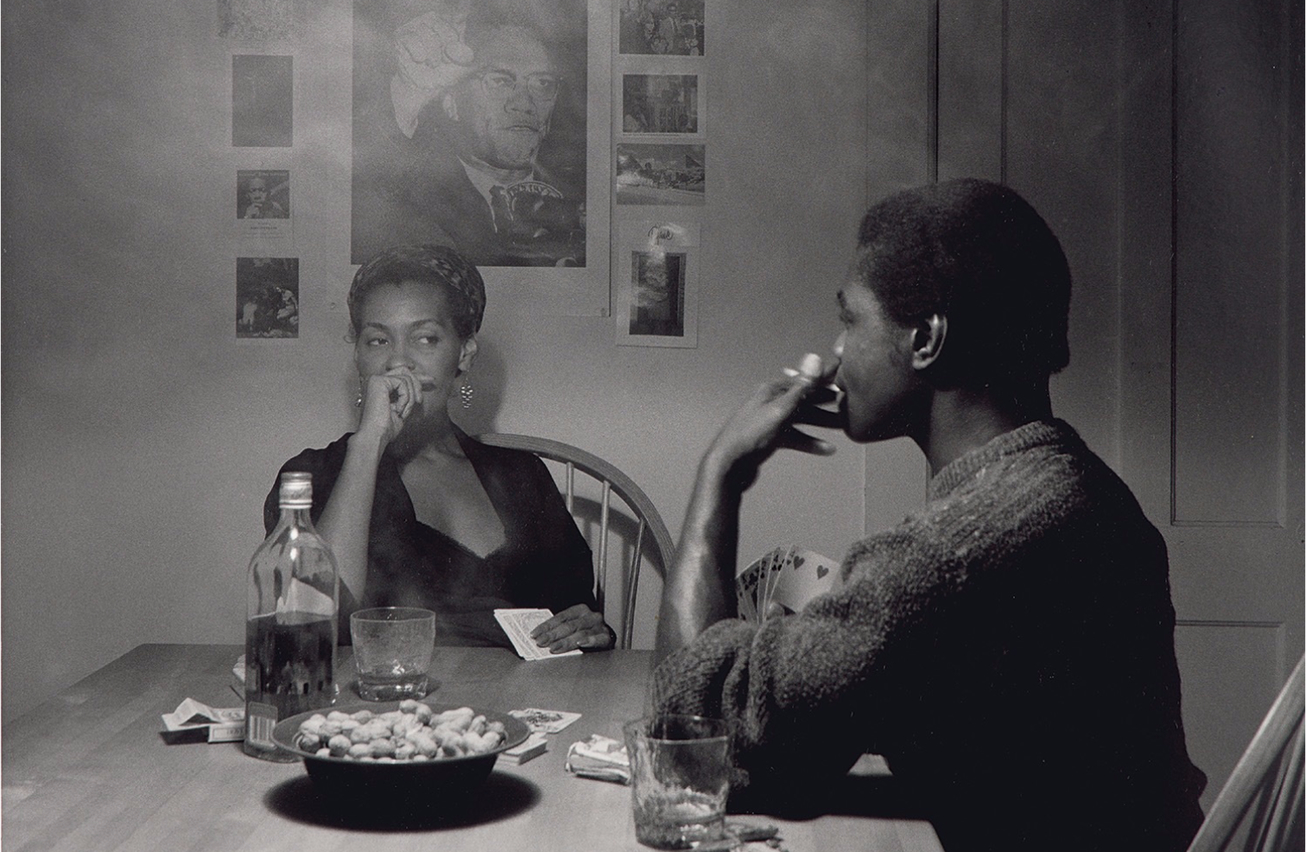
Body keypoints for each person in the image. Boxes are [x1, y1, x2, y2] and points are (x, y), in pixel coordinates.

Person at [650, 179, 1207, 852]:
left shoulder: (954, 555)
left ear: (926, 340)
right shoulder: (1077, 490)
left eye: (850, 320)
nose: (833, 354)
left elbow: (691, 727)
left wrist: (721, 472)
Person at [264, 244, 613, 652]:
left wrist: (587, 630)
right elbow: (309, 627)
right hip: (379, 706)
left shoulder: (522, 476)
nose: (399, 362)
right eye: (377, 341)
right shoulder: (311, 477)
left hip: (516, 705)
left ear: (464, 354)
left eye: (425, 339)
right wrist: (369, 442)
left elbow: (578, 618)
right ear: (357, 355)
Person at [352, 10, 585, 267]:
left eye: (542, 83)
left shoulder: (580, 196)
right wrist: (407, 95)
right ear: (451, 101)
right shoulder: (411, 195)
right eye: (500, 81)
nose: (524, 104)